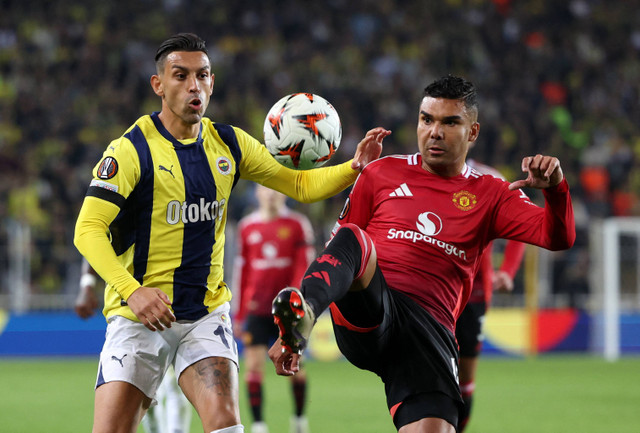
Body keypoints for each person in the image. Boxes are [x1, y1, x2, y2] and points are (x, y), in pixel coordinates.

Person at [73, 32, 389, 433]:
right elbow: (87, 229)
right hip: (138, 317)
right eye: (180, 75)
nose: (194, 86)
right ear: (159, 85)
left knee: (226, 425)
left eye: (202, 76)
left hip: (204, 314)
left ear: (212, 81)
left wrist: (353, 168)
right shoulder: (130, 150)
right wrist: (132, 291)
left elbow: (299, 186)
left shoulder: (229, 143)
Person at [268, 75, 576, 433]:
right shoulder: (381, 172)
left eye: (450, 122)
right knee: (354, 237)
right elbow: (338, 253)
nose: (435, 131)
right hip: (372, 309)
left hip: (428, 331)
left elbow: (557, 237)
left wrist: (555, 189)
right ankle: (303, 317)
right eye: (426, 119)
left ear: (472, 133)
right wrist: (292, 328)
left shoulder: (491, 192)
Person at [75, 259, 192, 433]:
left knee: (174, 385)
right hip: (130, 316)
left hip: (175, 307)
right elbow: (94, 238)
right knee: (142, 393)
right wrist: (87, 285)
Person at [233, 184, 314, 433]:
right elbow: (242, 271)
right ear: (256, 194)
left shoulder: (298, 224)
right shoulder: (247, 227)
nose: (270, 194)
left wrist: (299, 302)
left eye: (275, 190)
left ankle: (299, 420)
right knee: (254, 367)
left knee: (293, 367)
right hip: (256, 309)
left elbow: (304, 266)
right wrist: (238, 312)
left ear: (283, 194)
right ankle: (258, 425)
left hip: (288, 311)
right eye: (265, 190)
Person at [455, 158, 526, 432]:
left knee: (464, 379)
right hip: (429, 293)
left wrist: (507, 270)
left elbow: (519, 225)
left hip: (474, 294)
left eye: (453, 123)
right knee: (425, 377)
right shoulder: (416, 172)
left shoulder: (490, 179)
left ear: (471, 131)